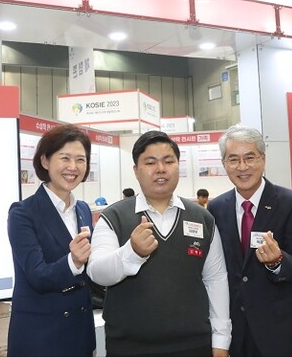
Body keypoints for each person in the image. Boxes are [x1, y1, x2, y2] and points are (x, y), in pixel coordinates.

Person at [88, 130, 231, 357]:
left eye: (168, 161)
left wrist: (221, 341)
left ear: (178, 166)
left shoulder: (202, 218)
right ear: (136, 170)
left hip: (194, 345)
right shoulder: (113, 217)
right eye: (150, 162)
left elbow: (216, 279)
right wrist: (132, 252)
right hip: (130, 347)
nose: (161, 169)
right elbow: (97, 272)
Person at [207, 125, 292, 357]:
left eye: (250, 157)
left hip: (282, 332)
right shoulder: (216, 208)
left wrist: (278, 261)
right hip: (237, 332)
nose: (242, 167)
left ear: (263, 159)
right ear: (224, 163)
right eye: (233, 159)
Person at [6, 124, 95, 357]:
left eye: (80, 159)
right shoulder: (23, 213)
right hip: (41, 336)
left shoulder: (83, 210)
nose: (73, 167)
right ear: (45, 161)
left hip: (80, 332)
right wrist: (74, 261)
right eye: (64, 158)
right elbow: (37, 275)